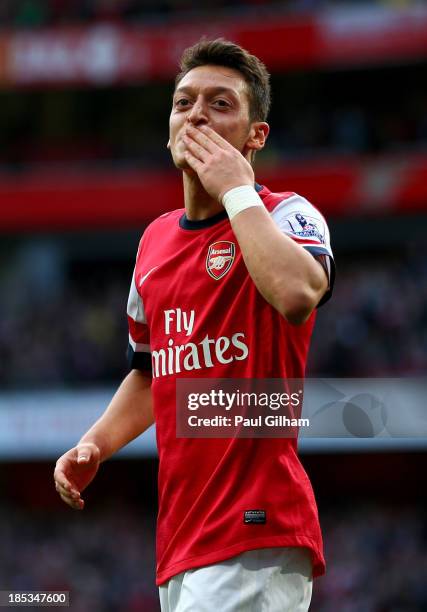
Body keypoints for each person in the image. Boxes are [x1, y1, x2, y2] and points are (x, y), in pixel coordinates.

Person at [54, 38, 334, 611]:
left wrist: (235, 188)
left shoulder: (287, 212)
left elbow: (299, 293)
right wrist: (95, 444)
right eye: (183, 103)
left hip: (255, 524)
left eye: (220, 103)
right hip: (181, 537)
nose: (197, 114)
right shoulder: (153, 242)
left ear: (257, 137)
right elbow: (149, 370)